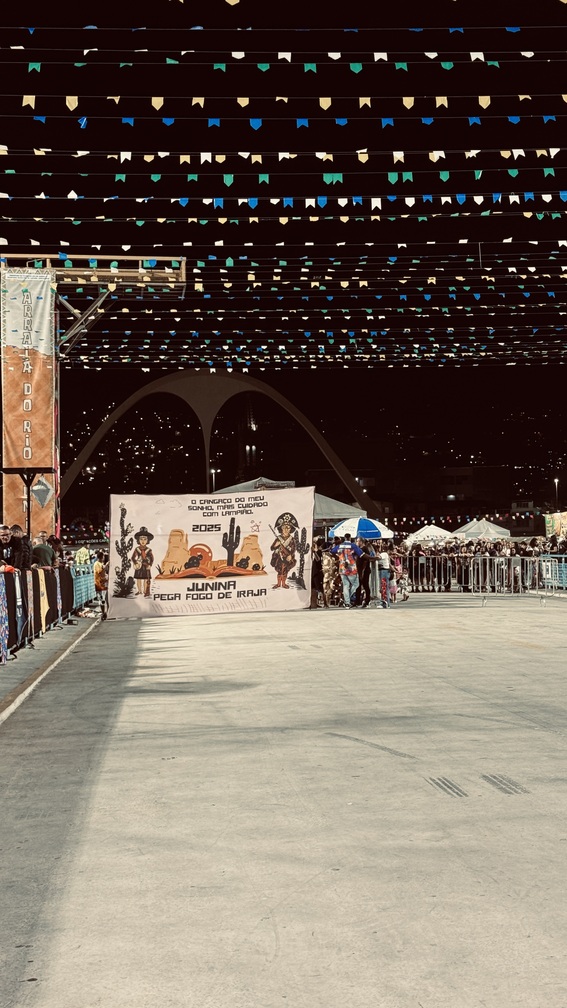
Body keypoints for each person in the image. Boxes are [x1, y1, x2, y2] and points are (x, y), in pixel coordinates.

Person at [330, 533, 362, 607]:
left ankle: (347, 602)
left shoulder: (339, 546)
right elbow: (361, 554)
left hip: (342, 568)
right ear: (350, 538)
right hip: (351, 568)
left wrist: (338, 557)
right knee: (356, 584)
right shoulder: (353, 546)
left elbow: (331, 552)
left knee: (345, 585)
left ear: (344, 538)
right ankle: (346, 599)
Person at [269, 512, 299, 590]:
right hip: (279, 557)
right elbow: (272, 548)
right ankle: (278, 584)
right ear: (281, 528)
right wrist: (276, 545)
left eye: (288, 528)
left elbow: (293, 549)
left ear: (291, 529)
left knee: (285, 571)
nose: (286, 529)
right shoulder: (278, 538)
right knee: (279, 570)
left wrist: (290, 555)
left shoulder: (292, 539)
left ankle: (284, 583)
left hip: (287, 558)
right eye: (284, 527)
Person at [131, 526, 155, 597]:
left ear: (147, 540)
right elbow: (133, 557)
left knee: (145, 579)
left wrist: (150, 564)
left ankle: (145, 591)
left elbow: (152, 558)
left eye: (145, 539)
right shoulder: (137, 549)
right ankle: (139, 591)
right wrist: (136, 563)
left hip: (146, 566)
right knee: (138, 579)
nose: (143, 541)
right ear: (138, 540)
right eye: (141, 539)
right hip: (139, 566)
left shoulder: (149, 550)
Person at [309, 537, 327, 609]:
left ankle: (325, 603)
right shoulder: (316, 552)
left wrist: (314, 552)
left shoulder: (319, 552)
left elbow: (318, 559)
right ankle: (314, 603)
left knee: (320, 588)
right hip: (314, 572)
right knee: (313, 588)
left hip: (318, 572)